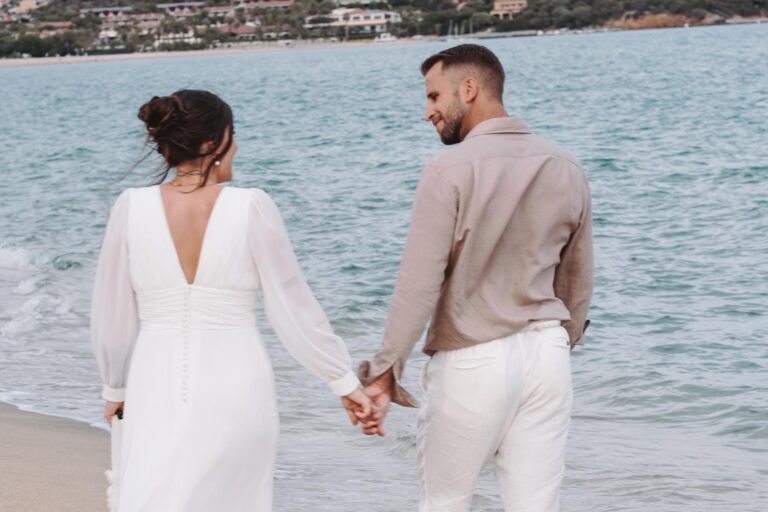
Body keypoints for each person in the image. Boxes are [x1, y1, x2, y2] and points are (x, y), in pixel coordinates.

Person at [91, 89, 373, 511]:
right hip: (236, 382)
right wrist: (341, 380)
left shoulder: (130, 207)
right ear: (211, 144)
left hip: (154, 378)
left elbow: (112, 308)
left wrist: (115, 384)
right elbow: (292, 304)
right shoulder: (251, 207)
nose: (236, 145)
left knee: (155, 492)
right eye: (232, 134)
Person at [358, 44, 593, 512]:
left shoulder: (449, 168)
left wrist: (384, 372)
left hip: (473, 359)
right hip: (548, 358)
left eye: (433, 96)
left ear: (469, 89)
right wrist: (561, 341)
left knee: (445, 502)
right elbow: (577, 279)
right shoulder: (564, 166)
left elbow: (420, 282)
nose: (428, 112)